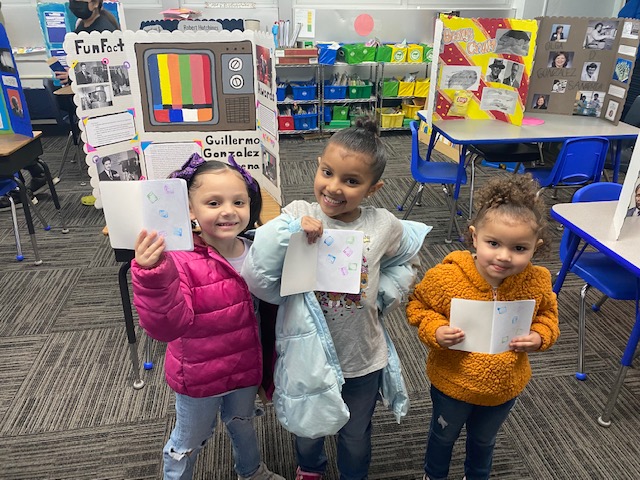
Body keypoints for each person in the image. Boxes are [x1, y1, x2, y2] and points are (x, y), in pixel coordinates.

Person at [241, 117, 429, 480]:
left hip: (362, 357)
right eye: (328, 172)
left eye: (352, 181)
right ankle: (310, 468)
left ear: (373, 189)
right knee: (309, 426)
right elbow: (258, 271)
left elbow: (409, 254)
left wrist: (386, 294)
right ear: (317, 166)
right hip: (305, 353)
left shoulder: (383, 224)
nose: (334, 187)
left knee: (356, 432)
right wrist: (289, 230)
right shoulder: (298, 213)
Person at [131, 154, 285, 480]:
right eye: (213, 202)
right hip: (199, 380)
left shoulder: (257, 249)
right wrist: (153, 275)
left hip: (244, 369)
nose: (228, 211)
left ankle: (252, 470)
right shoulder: (180, 260)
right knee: (190, 440)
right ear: (190, 209)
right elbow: (168, 325)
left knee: (243, 424)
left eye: (238, 202)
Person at [406, 174, 560, 480]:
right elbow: (417, 305)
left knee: (484, 441)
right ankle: (434, 475)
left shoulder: (536, 281)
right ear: (474, 237)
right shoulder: (447, 277)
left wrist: (539, 336)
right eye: (493, 243)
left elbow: (548, 316)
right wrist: (435, 330)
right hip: (452, 383)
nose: (504, 256)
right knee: (442, 438)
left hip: (503, 388)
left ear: (536, 247)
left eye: (519, 248)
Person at [55, 0, 119, 86]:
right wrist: (71, 71)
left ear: (95, 3)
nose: (76, 4)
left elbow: (103, 69)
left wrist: (73, 77)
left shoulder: (103, 31)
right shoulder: (81, 25)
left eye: (80, 1)